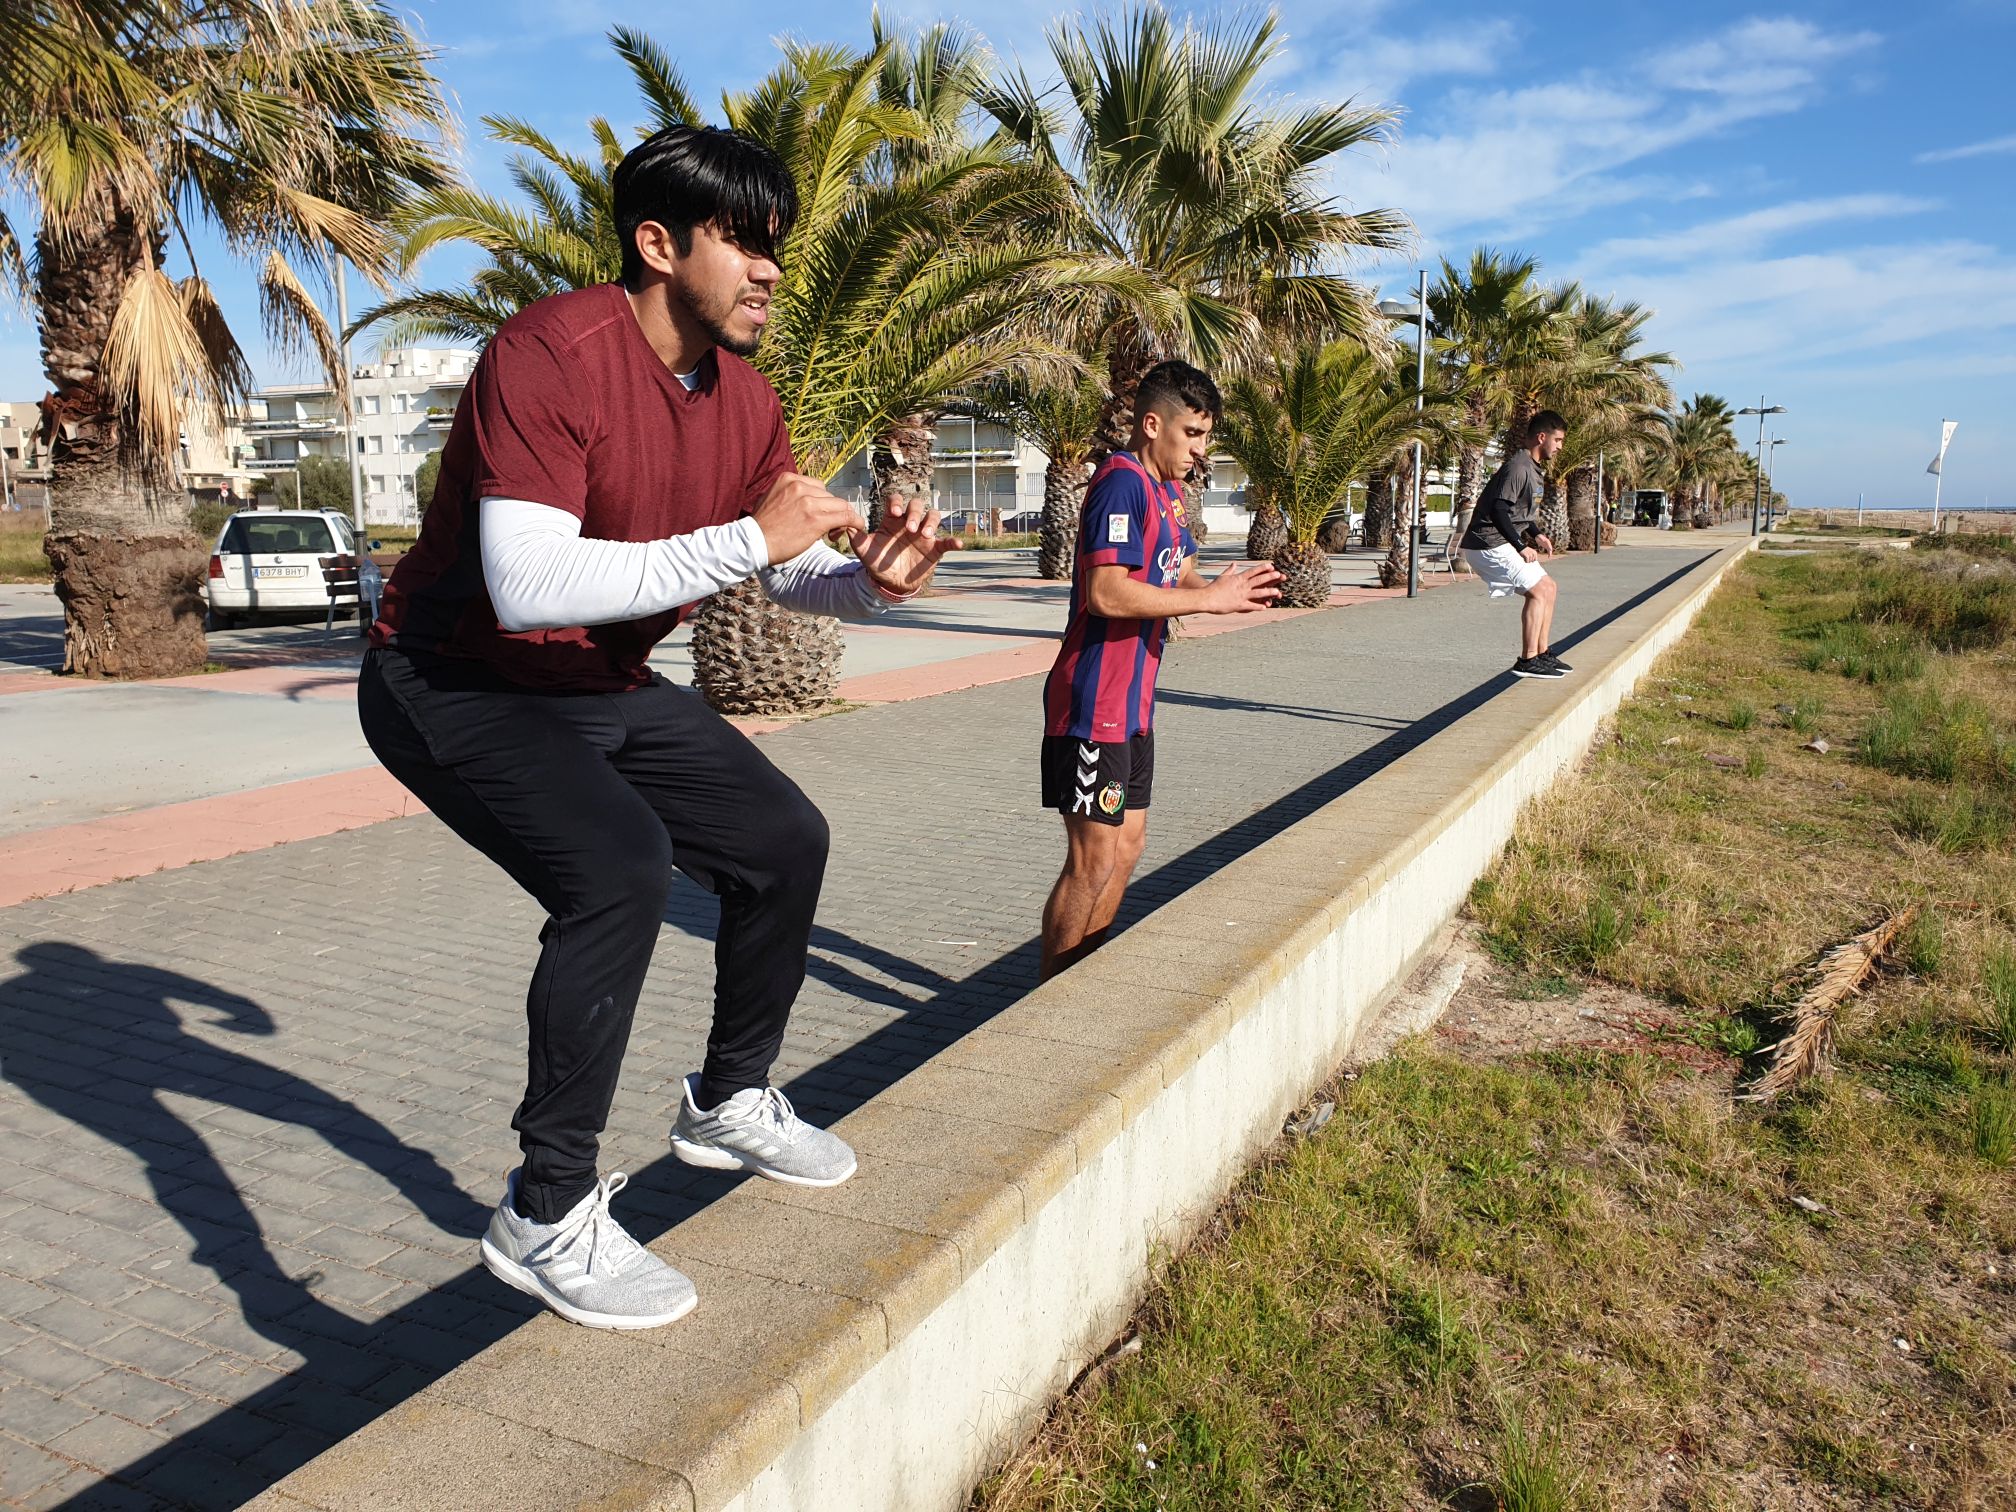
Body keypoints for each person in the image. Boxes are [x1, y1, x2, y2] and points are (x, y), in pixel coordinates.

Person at [356, 124, 956, 1331]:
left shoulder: (745, 398)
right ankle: (545, 1212)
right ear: (658, 244)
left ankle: (728, 1102)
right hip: (452, 679)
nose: (771, 270)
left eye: (777, 246)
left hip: (602, 683)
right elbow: (527, 583)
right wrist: (754, 539)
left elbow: (782, 571)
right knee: (620, 869)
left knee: (783, 841)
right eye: (744, 242)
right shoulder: (549, 352)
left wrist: (870, 584)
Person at [1037, 361, 1284, 979]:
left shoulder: (1168, 492)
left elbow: (1182, 573)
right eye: (1192, 434)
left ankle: (1082, 980)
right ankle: (1045, 1000)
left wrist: (1228, 590)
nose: (1201, 450)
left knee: (1127, 849)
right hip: (1092, 701)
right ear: (1153, 425)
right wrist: (1208, 601)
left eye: (1206, 436)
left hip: (1133, 705)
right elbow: (1106, 593)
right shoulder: (1120, 484)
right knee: (1092, 861)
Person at [1460, 410, 1569, 679]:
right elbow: (1499, 509)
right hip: (1486, 543)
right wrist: (1521, 545)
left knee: (1549, 588)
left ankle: (1542, 653)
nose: (1559, 447)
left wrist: (1537, 533)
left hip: (1498, 541)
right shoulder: (1519, 467)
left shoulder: (1532, 468)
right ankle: (1527, 660)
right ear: (1541, 437)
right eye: (1557, 440)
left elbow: (1518, 513)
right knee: (1538, 592)